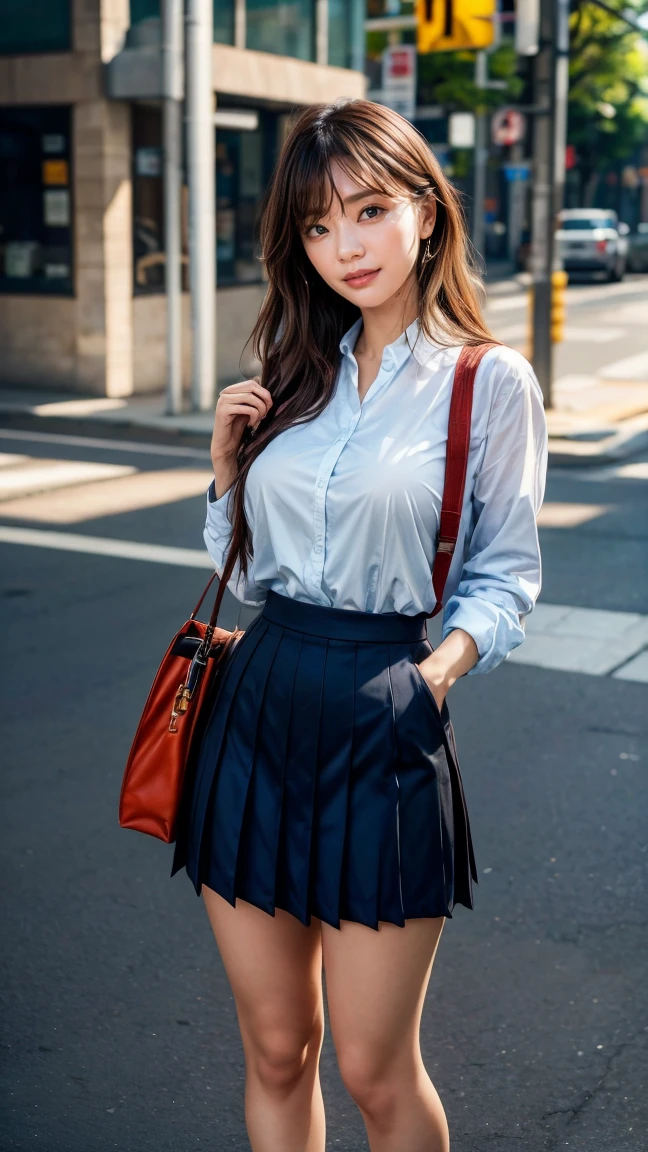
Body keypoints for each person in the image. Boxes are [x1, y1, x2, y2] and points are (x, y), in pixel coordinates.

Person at [173, 99, 548, 1152]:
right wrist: (224, 474)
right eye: (318, 226)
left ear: (426, 213)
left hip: (385, 709)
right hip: (255, 707)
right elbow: (240, 574)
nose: (345, 246)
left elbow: (507, 573)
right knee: (277, 1046)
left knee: (376, 1071)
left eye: (369, 210)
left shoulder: (488, 383)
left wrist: (437, 673)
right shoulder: (295, 368)